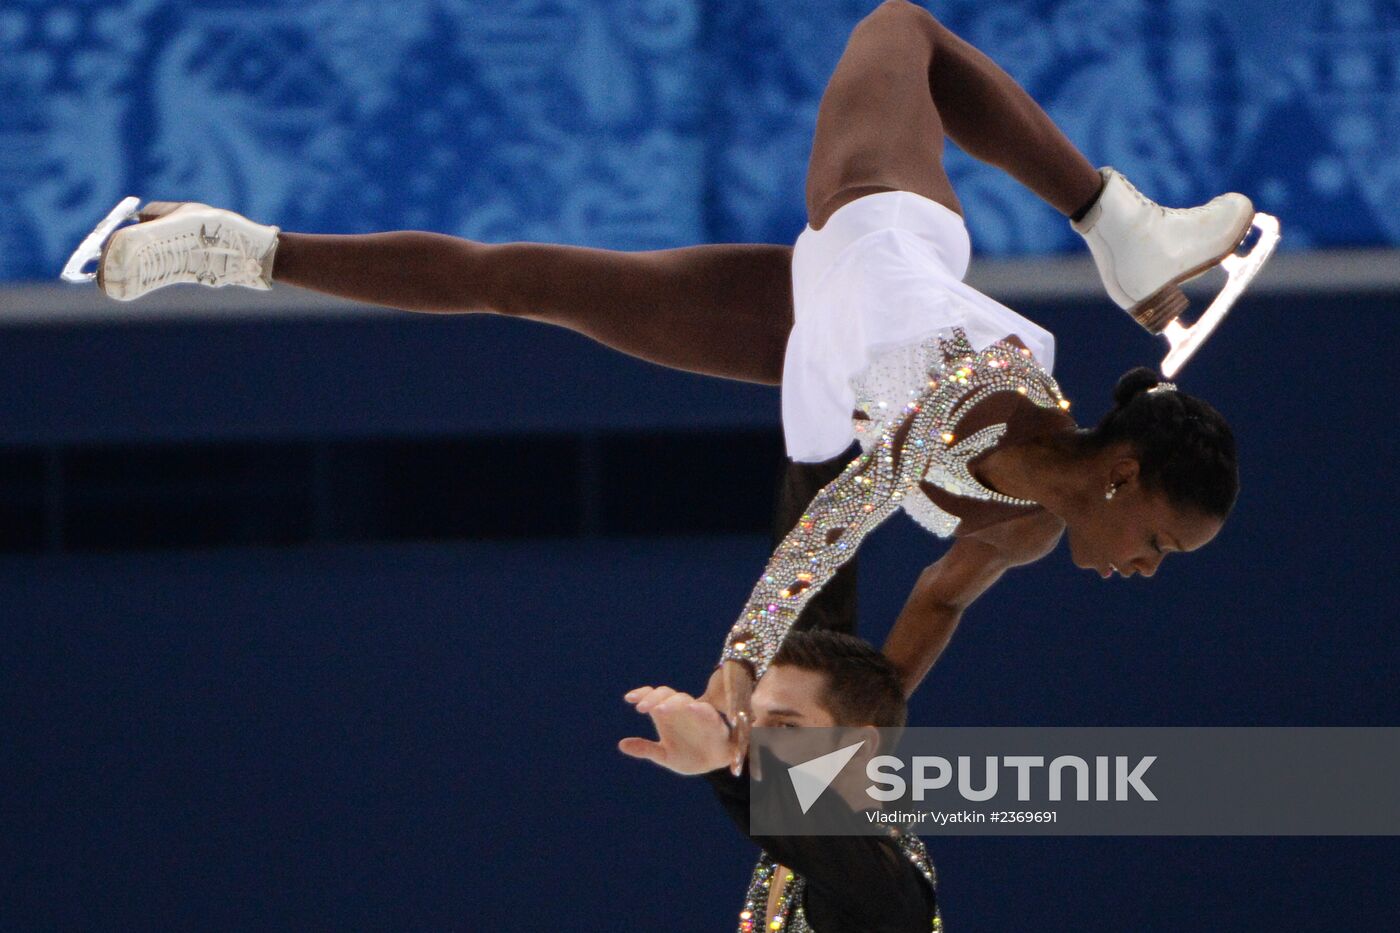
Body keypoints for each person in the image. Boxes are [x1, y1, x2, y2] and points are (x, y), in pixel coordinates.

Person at [76, 3, 1251, 719]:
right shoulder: (977, 401)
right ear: (1120, 477)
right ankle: (1114, 219)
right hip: (875, 231)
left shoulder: (1031, 529)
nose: (1146, 569)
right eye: (1158, 542)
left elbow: (936, 603)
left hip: (816, 347)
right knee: (898, 30)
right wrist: (745, 663)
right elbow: (829, 527)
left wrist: (861, 728)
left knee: (519, 287)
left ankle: (229, 244)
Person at [621, 629, 942, 933]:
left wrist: (722, 768)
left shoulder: (882, 881)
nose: (751, 742)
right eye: (749, 720)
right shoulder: (788, 856)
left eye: (785, 726)